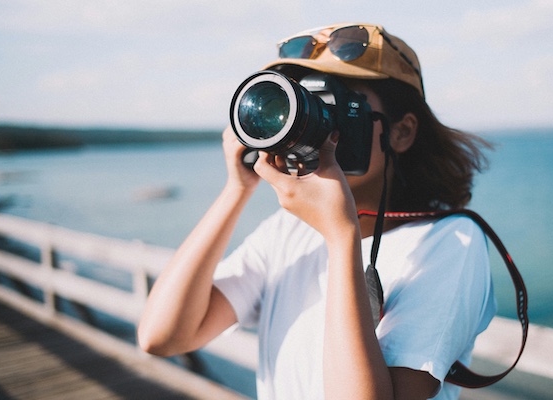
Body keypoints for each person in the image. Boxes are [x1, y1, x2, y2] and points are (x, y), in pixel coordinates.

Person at [138, 23, 497, 400]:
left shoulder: (449, 242)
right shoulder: (287, 232)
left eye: (338, 106)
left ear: (401, 133)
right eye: (305, 102)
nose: (316, 126)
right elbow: (162, 336)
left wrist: (342, 239)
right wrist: (237, 189)